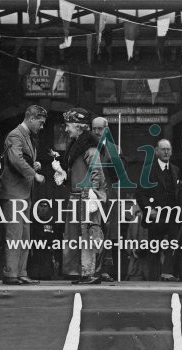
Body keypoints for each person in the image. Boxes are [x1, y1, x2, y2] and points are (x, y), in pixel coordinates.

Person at [0, 105, 46, 285]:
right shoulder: (15, 135)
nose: (41, 127)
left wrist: (33, 165)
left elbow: (21, 160)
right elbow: (15, 159)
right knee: (14, 234)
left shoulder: (25, 136)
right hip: (13, 193)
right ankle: (11, 273)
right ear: (31, 118)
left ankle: (21, 272)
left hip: (23, 192)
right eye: (40, 123)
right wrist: (35, 174)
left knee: (24, 235)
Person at [61, 108, 106, 284]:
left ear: (79, 127)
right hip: (77, 197)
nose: (66, 129)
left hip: (87, 198)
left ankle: (89, 272)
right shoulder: (77, 146)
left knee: (89, 236)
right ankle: (79, 271)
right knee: (75, 237)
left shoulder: (90, 148)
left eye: (68, 125)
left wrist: (94, 195)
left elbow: (97, 173)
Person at [135, 139, 181, 282]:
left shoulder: (175, 169)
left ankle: (167, 273)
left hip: (172, 215)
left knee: (173, 245)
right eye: (163, 149)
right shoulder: (148, 169)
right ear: (156, 151)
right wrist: (149, 210)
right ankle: (153, 279)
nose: (166, 152)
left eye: (168, 149)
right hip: (155, 216)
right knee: (154, 247)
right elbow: (140, 194)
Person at [91, 116, 126, 282]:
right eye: (94, 129)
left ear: (107, 130)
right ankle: (90, 268)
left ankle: (104, 269)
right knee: (92, 231)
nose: (97, 132)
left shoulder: (115, 148)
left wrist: (116, 162)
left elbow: (120, 176)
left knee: (108, 232)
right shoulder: (88, 147)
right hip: (91, 195)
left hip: (109, 195)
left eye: (100, 129)